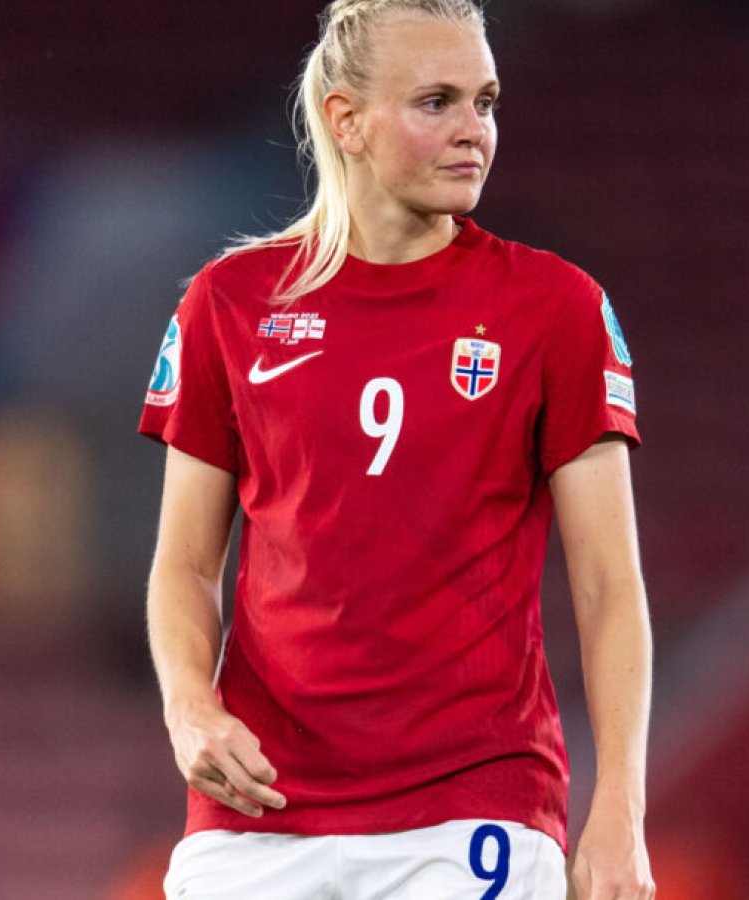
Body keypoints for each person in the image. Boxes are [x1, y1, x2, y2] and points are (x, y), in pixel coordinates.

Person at [138, 1, 656, 897]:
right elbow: (184, 564)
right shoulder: (229, 304)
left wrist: (620, 812)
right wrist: (190, 712)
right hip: (259, 803)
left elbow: (610, 584)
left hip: (473, 802)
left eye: (486, 102)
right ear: (347, 120)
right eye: (437, 102)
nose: (474, 133)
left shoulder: (556, 308)